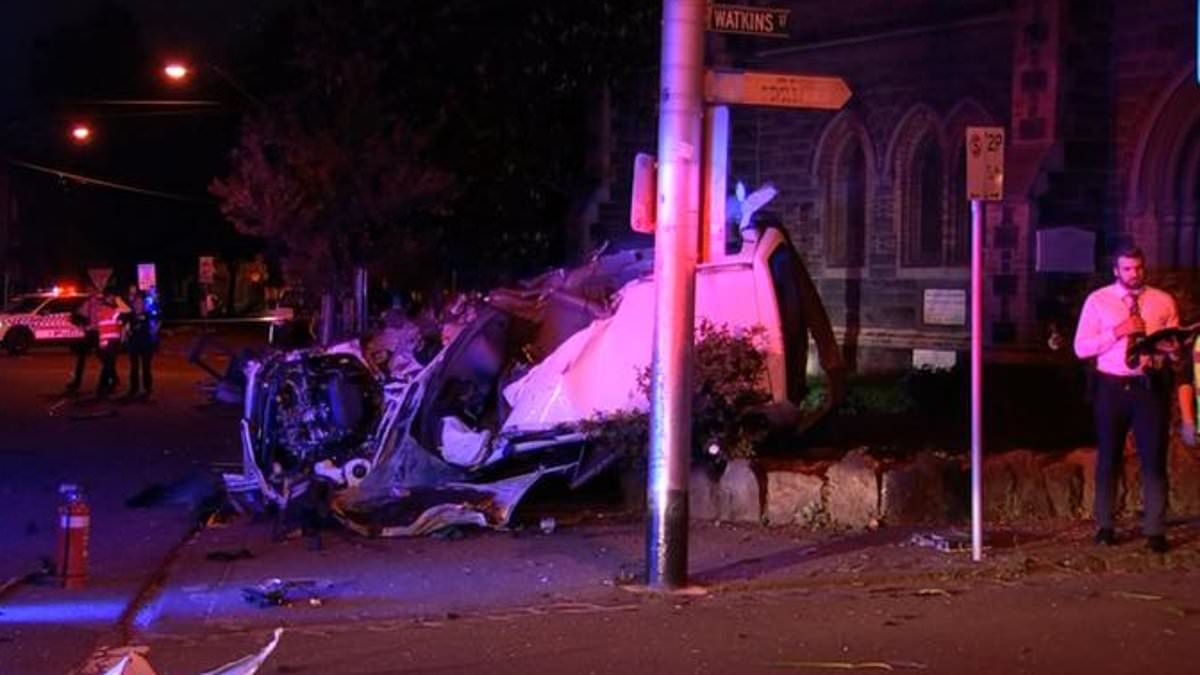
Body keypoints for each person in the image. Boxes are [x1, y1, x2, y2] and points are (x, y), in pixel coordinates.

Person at [1073, 244, 1178, 553]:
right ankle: (1106, 525)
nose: (1135, 274)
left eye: (1139, 268)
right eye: (1128, 269)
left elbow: (1173, 342)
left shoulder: (1162, 301)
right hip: (1112, 386)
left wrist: (1168, 352)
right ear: (1117, 270)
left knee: (1154, 457)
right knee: (1109, 456)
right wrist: (1118, 331)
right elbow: (1081, 348)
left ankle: (1155, 529)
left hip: (1149, 386)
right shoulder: (1098, 301)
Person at [120, 290, 157, 400]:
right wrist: (125, 337)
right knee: (134, 367)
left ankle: (147, 389)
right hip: (134, 344)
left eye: (141, 302)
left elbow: (155, 326)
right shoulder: (129, 315)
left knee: (146, 367)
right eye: (136, 302)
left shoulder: (148, 314)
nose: (138, 304)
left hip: (146, 344)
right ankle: (133, 389)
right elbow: (124, 328)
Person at [65, 292, 104, 393]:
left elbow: (80, 316)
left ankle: (77, 382)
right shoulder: (93, 302)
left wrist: (82, 324)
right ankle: (111, 378)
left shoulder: (92, 303)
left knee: (86, 358)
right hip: (93, 332)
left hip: (94, 333)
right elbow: (80, 315)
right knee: (99, 358)